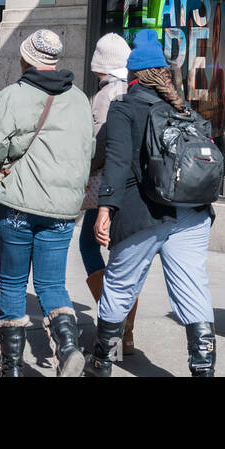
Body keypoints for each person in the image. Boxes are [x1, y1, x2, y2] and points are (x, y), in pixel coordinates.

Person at [88, 29, 217, 378]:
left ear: (133, 74)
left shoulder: (123, 108)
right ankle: (203, 370)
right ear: (163, 73)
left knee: (119, 285)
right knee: (193, 290)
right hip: (191, 215)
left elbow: (115, 163)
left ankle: (100, 364)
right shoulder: (183, 108)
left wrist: (105, 209)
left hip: (140, 214)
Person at [0, 28, 94, 377]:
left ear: (26, 58)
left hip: (18, 204)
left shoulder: (14, 95)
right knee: (52, 285)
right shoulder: (81, 100)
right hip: (62, 209)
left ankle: (11, 367)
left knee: (12, 283)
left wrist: (11, 151)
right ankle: (69, 346)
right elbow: (90, 151)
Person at [77, 33, 139, 357]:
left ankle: (114, 322)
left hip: (105, 184)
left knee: (88, 244)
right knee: (122, 254)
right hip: (131, 186)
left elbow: (100, 145)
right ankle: (127, 333)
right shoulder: (133, 87)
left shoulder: (105, 95)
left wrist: (83, 165)